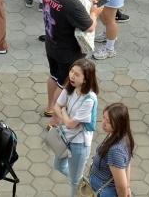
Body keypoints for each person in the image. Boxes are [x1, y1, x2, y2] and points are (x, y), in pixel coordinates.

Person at [51, 58, 99, 196]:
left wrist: (64, 112)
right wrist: (65, 116)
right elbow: (56, 106)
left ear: (86, 79)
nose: (72, 76)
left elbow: (70, 124)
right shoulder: (70, 88)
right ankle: (85, 185)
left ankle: (79, 185)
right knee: (58, 166)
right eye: (72, 71)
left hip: (79, 144)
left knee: (75, 181)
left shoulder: (89, 99)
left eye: (77, 74)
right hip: (64, 137)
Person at [86, 102, 134, 197]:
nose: (103, 123)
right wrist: (128, 185)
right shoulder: (122, 135)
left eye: (108, 122)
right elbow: (127, 163)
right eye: (104, 117)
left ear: (119, 124)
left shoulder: (116, 150)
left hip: (104, 191)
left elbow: (121, 186)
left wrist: (126, 187)